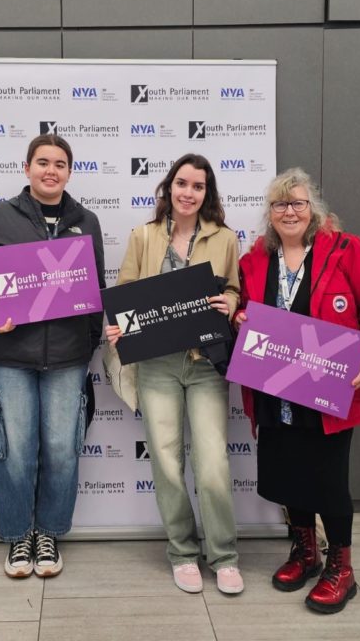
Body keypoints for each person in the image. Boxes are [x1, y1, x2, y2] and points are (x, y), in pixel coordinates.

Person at [235, 167, 360, 613]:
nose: (289, 212)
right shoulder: (253, 260)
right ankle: (305, 552)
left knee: (328, 481)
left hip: (330, 393)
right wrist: (240, 320)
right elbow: (245, 314)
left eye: (298, 203)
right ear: (270, 214)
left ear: (313, 209)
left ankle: (341, 569)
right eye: (280, 205)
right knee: (289, 476)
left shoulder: (346, 250)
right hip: (274, 392)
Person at [0, 135, 105, 579]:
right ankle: (19, 535)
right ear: (26, 168)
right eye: (42, 162)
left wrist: (88, 342)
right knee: (16, 450)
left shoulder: (87, 220)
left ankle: (49, 533)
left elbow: (95, 287)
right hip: (11, 353)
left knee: (62, 449)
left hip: (67, 356)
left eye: (60, 164)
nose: (51, 170)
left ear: (69, 172)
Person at [105, 153, 244, 595]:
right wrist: (118, 326)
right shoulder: (143, 236)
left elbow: (233, 287)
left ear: (208, 193)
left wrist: (232, 304)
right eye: (181, 183)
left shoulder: (225, 238)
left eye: (197, 186)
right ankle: (182, 552)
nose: (188, 193)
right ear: (169, 188)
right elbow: (126, 292)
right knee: (166, 462)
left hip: (205, 364)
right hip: (157, 365)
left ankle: (223, 555)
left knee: (213, 464)